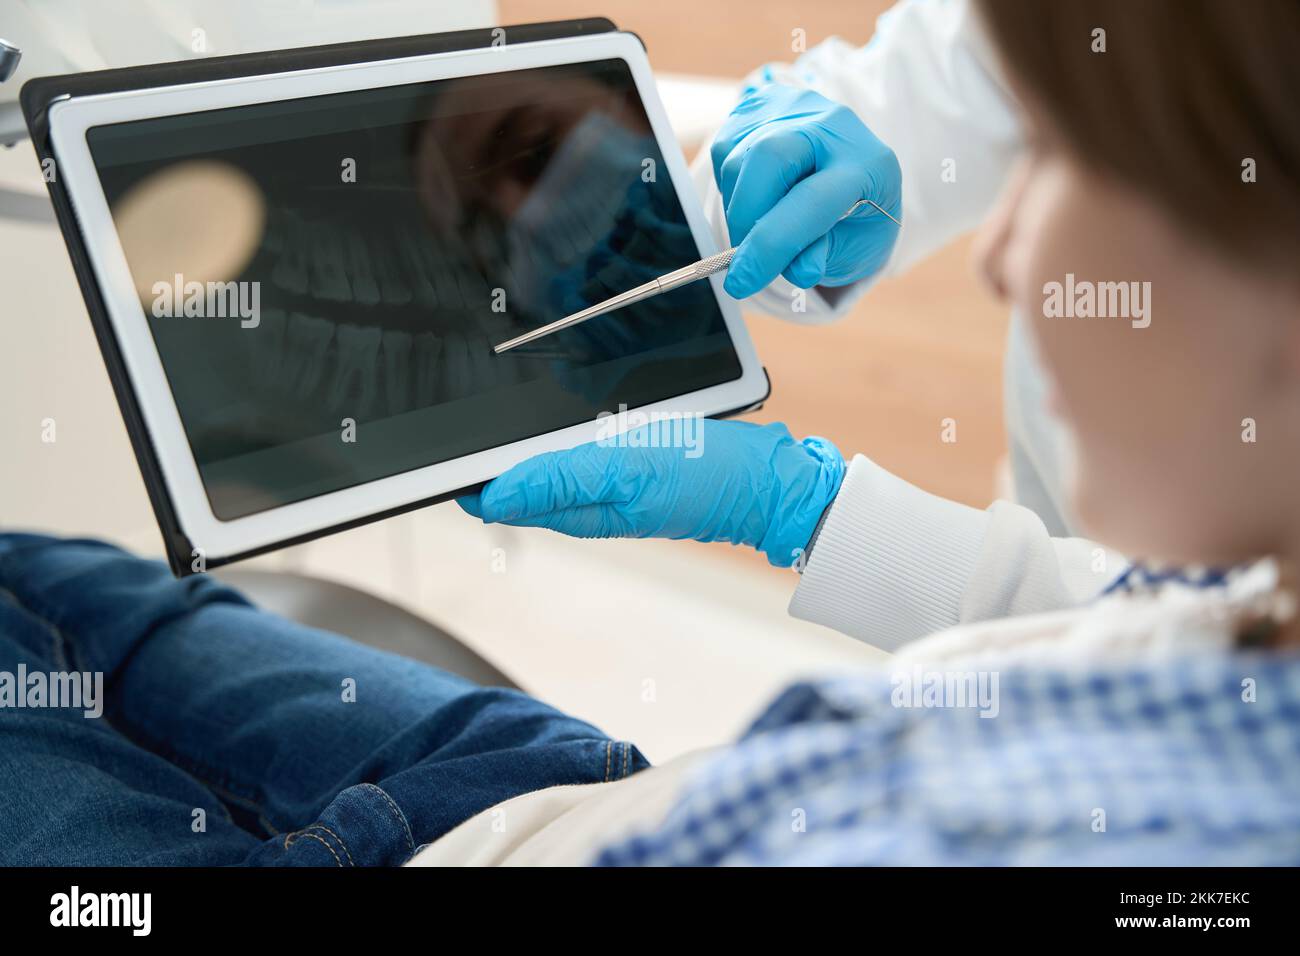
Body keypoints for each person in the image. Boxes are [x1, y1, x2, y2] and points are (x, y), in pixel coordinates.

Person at [4, 0, 1299, 865]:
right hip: (570, 788)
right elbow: (1152, 612)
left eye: (1062, 156)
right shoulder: (1238, 637)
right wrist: (809, 508)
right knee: (45, 582)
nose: (1003, 255)